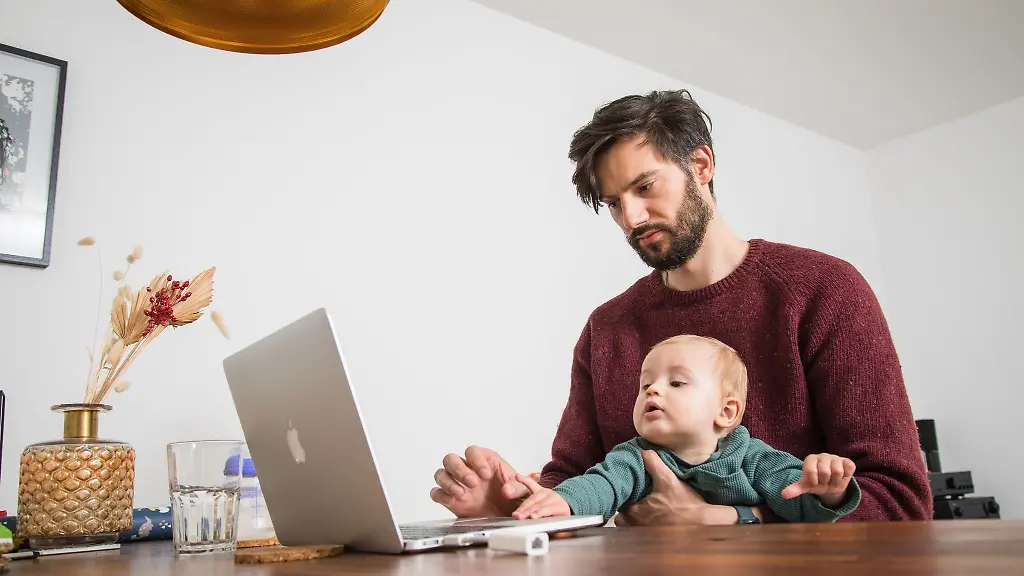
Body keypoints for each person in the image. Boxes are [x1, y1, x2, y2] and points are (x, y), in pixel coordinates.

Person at [430, 89, 932, 524]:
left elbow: (900, 501)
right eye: (613, 202)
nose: (632, 217)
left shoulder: (823, 290)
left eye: (644, 187)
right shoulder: (607, 328)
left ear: (701, 166)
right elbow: (577, 479)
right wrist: (519, 507)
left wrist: (731, 521)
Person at [510, 334, 860, 523]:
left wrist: (827, 490)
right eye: (645, 384)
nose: (654, 390)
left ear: (725, 411)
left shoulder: (752, 457)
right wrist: (564, 501)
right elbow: (602, 485)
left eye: (676, 383)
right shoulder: (635, 457)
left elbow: (797, 502)